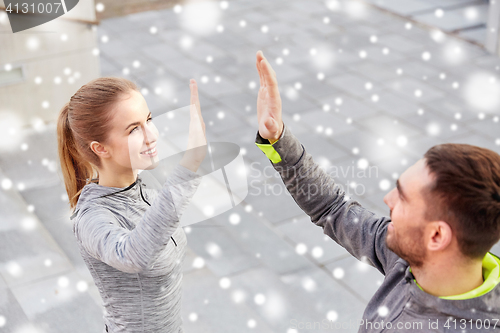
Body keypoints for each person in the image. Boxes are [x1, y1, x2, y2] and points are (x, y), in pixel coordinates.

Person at [253, 50, 500, 332]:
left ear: (436, 235)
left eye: (403, 198)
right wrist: (278, 139)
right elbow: (333, 209)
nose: (387, 200)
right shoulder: (410, 258)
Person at [56, 76, 207, 333]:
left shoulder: (142, 189)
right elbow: (133, 255)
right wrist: (189, 164)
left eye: (148, 119)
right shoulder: (91, 217)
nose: (151, 136)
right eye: (134, 129)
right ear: (100, 148)